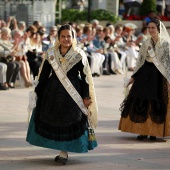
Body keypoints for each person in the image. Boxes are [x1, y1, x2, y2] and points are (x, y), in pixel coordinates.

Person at [26, 24, 98, 164]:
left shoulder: (79, 54)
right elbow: (44, 75)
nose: (66, 39)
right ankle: (60, 149)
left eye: (68, 36)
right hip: (52, 92)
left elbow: (85, 78)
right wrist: (37, 92)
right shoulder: (51, 53)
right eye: (63, 36)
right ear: (58, 38)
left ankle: (64, 152)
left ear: (73, 37)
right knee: (55, 121)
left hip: (73, 93)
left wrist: (86, 97)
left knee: (70, 122)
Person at [119, 18, 170, 141]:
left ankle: (153, 132)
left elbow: (168, 63)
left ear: (158, 29)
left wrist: (168, 79)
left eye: (153, 27)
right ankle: (142, 131)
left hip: (159, 77)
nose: (151, 30)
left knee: (155, 103)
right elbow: (140, 62)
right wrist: (133, 77)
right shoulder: (145, 44)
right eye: (149, 27)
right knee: (142, 101)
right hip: (145, 75)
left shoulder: (165, 44)